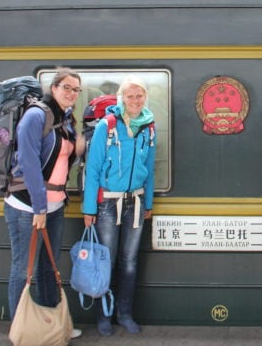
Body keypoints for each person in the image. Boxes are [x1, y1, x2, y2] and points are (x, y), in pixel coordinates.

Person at [4, 68, 85, 338]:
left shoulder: (65, 120)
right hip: (27, 206)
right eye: (67, 87)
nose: (71, 93)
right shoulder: (36, 116)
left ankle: (53, 324)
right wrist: (39, 207)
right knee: (22, 269)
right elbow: (29, 165)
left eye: (76, 89)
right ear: (54, 88)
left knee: (48, 265)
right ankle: (21, 329)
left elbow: (63, 159)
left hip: (55, 205)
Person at [82, 74, 156, 336]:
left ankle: (124, 314)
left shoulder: (148, 127)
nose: (135, 100)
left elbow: (149, 168)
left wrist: (148, 202)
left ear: (145, 97)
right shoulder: (107, 125)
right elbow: (93, 169)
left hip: (135, 201)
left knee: (129, 262)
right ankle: (104, 316)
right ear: (122, 98)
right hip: (107, 204)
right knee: (106, 261)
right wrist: (89, 208)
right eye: (130, 95)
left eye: (139, 95)